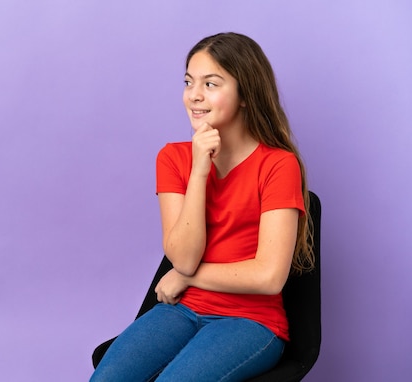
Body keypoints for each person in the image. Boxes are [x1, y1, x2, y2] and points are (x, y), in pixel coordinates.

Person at [90, 32, 315, 382]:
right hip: (181, 310)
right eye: (188, 82)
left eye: (211, 84)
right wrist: (199, 171)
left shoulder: (278, 165)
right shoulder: (174, 158)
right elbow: (184, 256)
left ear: (245, 95)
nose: (194, 95)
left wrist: (184, 277)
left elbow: (269, 277)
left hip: (251, 321)